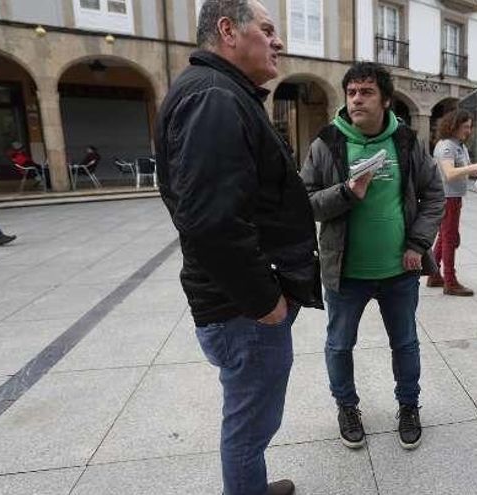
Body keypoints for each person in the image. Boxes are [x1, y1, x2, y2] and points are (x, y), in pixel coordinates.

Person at [155, 2, 322, 494]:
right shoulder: (213, 98)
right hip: (243, 310)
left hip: (240, 303)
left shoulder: (221, 93)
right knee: (249, 427)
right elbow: (211, 222)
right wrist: (265, 303)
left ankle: (250, 486)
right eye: (267, 30)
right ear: (228, 31)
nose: (278, 42)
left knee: (251, 422)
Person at [300, 62, 444, 451]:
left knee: (406, 343)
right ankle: (347, 407)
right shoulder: (327, 143)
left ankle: (409, 406)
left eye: (366, 92)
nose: (357, 99)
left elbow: (434, 195)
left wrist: (417, 244)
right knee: (339, 345)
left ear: (385, 98)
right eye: (352, 92)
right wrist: (346, 193)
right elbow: (305, 203)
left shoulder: (407, 142)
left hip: (400, 270)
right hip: (346, 273)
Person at [426, 109, 477, 296]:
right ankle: (450, 281)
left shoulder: (459, 145)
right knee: (450, 239)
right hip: (447, 198)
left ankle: (433, 275)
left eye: (470, 127)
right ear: (453, 126)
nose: (468, 131)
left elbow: (465, 170)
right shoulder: (447, 146)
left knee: (445, 237)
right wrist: (475, 167)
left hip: (454, 198)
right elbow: (449, 173)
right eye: (465, 127)